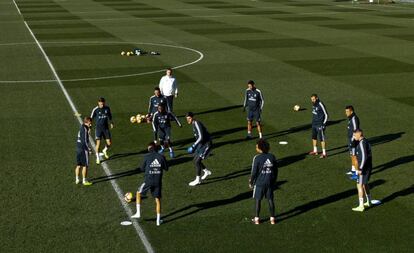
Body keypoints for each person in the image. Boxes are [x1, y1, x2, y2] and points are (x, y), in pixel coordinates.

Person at [131, 142, 168, 226]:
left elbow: (142, 168)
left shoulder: (146, 156)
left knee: (138, 193)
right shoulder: (161, 157)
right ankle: (158, 221)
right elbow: (166, 168)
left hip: (148, 180)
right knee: (157, 200)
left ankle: (138, 213)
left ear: (149, 149)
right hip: (158, 181)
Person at [249, 139, 278, 225]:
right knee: (270, 200)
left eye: (257, 146)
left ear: (260, 148)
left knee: (258, 200)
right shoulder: (272, 156)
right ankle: (272, 219)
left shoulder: (257, 158)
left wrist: (251, 182)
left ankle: (257, 219)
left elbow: (254, 172)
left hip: (259, 183)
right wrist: (274, 181)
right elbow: (276, 170)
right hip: (269, 182)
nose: (256, 147)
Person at [186, 112, 212, 186]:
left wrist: (193, 146)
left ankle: (198, 180)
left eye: (189, 118)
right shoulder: (193, 124)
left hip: (206, 145)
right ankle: (206, 171)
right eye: (187, 119)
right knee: (195, 160)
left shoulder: (197, 123)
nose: (188, 120)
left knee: (197, 161)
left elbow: (201, 137)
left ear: (193, 117)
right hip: (201, 145)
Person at [352, 129, 373, 212]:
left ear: (359, 134)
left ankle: (361, 206)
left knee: (359, 185)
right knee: (365, 184)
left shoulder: (361, 143)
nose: (353, 137)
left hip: (363, 168)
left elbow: (364, 156)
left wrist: (360, 168)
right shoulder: (365, 141)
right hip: (367, 167)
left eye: (354, 135)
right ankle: (369, 201)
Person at [90, 97, 113, 164]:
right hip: (98, 129)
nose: (102, 104)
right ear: (98, 103)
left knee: (109, 143)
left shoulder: (107, 108)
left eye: (103, 103)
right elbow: (91, 118)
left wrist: (111, 122)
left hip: (106, 128)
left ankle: (104, 150)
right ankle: (97, 158)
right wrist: (90, 126)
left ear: (104, 102)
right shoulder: (95, 110)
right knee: (98, 144)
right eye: (100, 103)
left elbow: (110, 115)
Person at [309, 94, 329, 158]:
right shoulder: (314, 104)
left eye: (314, 99)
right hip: (314, 124)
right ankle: (315, 151)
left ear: (317, 98)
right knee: (314, 137)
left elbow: (326, 114)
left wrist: (324, 124)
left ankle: (324, 153)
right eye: (312, 99)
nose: (313, 100)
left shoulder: (320, 104)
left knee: (321, 139)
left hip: (320, 124)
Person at [75, 117, 93, 186]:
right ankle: (84, 181)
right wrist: (89, 149)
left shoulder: (82, 127)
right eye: (90, 123)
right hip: (83, 149)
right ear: (87, 122)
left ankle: (77, 179)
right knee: (85, 165)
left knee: (78, 165)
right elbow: (84, 141)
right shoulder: (84, 129)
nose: (90, 125)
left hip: (78, 148)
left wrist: (89, 129)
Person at [345, 105, 360, 178]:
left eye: (347, 111)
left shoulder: (354, 118)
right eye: (346, 111)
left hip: (354, 141)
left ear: (352, 111)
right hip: (350, 140)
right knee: (352, 155)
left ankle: (357, 174)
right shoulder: (351, 118)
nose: (346, 113)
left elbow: (356, 130)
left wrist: (352, 140)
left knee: (355, 157)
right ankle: (353, 170)